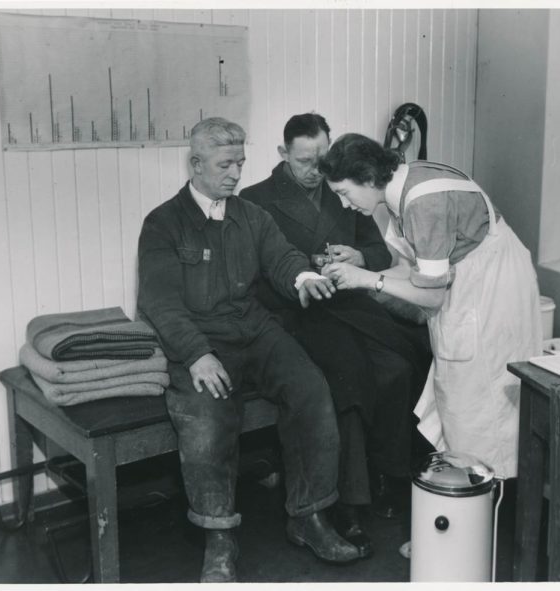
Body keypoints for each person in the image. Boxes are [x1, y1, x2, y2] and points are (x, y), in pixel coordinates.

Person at [137, 118, 360, 583]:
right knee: (207, 414)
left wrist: (304, 278)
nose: (236, 173)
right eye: (225, 164)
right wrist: (196, 354)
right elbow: (159, 302)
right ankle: (219, 539)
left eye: (240, 162)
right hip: (199, 341)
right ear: (195, 164)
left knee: (311, 388)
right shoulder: (162, 223)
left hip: (254, 331)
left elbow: (281, 259)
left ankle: (310, 516)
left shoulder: (252, 217)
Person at [240, 114, 431, 558]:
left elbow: (382, 250)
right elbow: (255, 278)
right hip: (301, 314)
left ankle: (388, 474)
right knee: (347, 381)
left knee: (400, 365)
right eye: (305, 160)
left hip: (353, 304)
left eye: (322, 159)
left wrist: (359, 254)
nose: (315, 169)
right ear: (283, 154)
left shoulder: (343, 190)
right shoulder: (256, 200)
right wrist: (303, 276)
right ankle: (348, 503)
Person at [318, 133, 543, 481]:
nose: (345, 205)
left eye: (344, 193)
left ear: (366, 178)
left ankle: (483, 510)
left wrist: (366, 280)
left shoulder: (424, 202)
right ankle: (467, 509)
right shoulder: (404, 185)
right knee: (460, 398)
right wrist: (363, 271)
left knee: (478, 406)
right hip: (472, 284)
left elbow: (430, 296)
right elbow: (417, 269)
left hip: (490, 293)